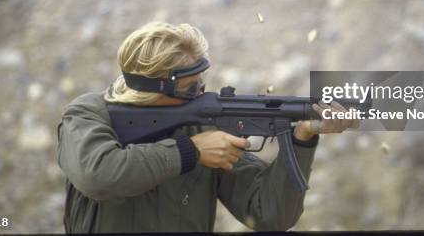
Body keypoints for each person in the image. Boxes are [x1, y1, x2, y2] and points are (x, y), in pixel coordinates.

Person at [57, 21, 354, 233]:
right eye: (191, 88)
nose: (201, 94)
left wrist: (302, 138)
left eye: (202, 83)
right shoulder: (89, 114)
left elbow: (269, 215)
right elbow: (97, 176)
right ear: (154, 90)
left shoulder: (200, 127)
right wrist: (189, 153)